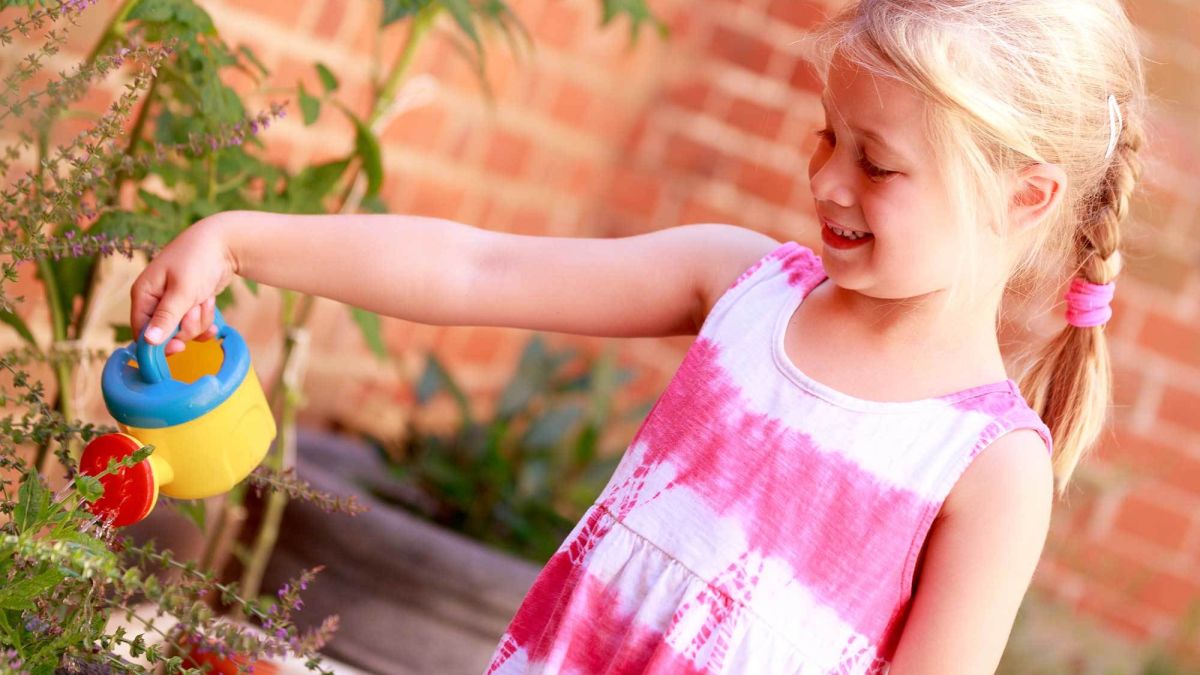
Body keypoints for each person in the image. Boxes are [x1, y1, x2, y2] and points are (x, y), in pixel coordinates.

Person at [129, 0, 1146, 671]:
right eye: (828, 133)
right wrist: (244, 240)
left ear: (1024, 197)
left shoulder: (985, 467)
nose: (827, 178)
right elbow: (478, 267)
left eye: (878, 164)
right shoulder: (738, 285)